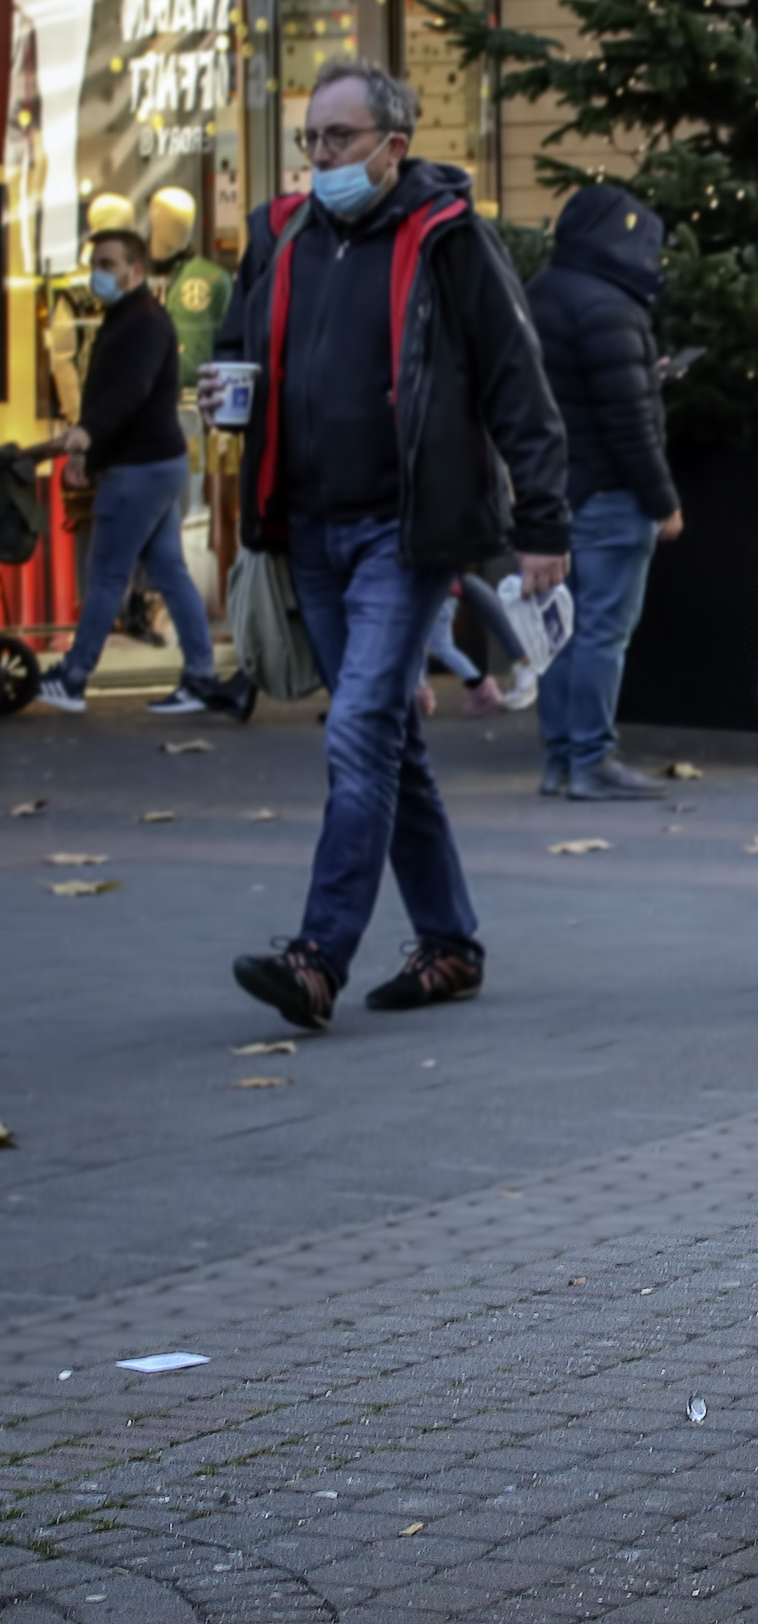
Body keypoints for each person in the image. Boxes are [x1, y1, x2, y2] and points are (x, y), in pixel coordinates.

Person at [201, 57, 570, 1030]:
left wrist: (543, 523)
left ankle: (318, 954)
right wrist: (222, 389)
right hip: (306, 527)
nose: (320, 157)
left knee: (360, 725)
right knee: (389, 739)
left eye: (339, 139)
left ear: (393, 146)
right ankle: (450, 941)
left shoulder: (447, 238)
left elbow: (515, 382)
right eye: (310, 141)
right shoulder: (282, 235)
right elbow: (241, 348)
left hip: (404, 533)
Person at [526, 184, 683, 801]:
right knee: (601, 631)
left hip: (556, 491)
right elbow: (627, 423)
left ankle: (560, 760)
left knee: (560, 630)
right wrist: (661, 500)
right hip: (611, 496)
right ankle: (592, 758)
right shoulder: (611, 307)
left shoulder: (542, 292)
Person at [37, 228, 220, 717]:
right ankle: (201, 675)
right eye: (95, 262)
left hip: (139, 468)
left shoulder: (141, 323)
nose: (99, 273)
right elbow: (112, 394)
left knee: (105, 574)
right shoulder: (127, 318)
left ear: (135, 271)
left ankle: (74, 677)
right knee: (167, 569)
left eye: (109, 264)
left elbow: (128, 393)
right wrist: (87, 450)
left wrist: (88, 434)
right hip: (154, 462)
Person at [422, 573, 539, 717]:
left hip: (437, 590)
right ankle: (420, 695)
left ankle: (482, 689)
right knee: (427, 644)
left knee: (441, 646)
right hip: (438, 589)